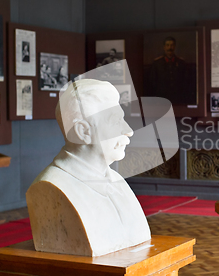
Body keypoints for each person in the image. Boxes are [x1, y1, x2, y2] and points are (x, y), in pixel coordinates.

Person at [26, 79, 151, 257]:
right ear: (83, 132)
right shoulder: (51, 185)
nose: (128, 130)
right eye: (116, 121)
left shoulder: (116, 180)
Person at [146, 36, 196, 104]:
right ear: (164, 47)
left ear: (174, 47)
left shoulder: (181, 63)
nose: (170, 48)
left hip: (178, 99)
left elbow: (186, 82)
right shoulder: (157, 64)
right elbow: (152, 83)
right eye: (167, 45)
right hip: (162, 100)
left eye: (172, 45)